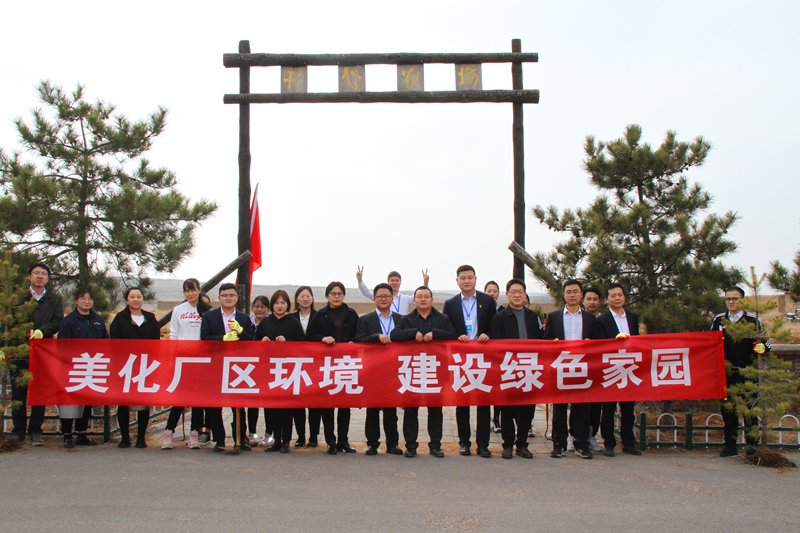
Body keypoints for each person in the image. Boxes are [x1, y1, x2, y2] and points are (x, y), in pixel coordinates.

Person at [391, 286, 458, 457]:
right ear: (414, 301)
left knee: (435, 409)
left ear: (431, 300)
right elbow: (395, 335)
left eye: (426, 296)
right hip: (413, 370)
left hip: (436, 370)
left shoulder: (442, 318)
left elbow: (452, 334)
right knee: (411, 410)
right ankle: (411, 446)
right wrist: (414, 333)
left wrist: (434, 333)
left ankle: (435, 445)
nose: (423, 299)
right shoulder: (406, 319)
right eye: (419, 297)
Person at [442, 265, 497, 457]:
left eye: (470, 277)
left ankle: (483, 444)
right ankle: (464, 443)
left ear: (476, 279)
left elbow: (494, 326)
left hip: (482, 357)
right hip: (461, 359)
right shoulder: (450, 303)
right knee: (462, 401)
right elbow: (446, 327)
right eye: (463, 278)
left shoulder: (487, 300)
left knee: (483, 401)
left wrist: (486, 335)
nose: (467, 281)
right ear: (457, 281)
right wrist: (457, 336)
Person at [543, 279, 599, 459]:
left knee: (582, 407)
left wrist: (592, 344)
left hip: (582, 367)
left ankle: (581, 444)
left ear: (581, 295)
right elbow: (546, 340)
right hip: (562, 366)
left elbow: (598, 343)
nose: (572, 295)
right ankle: (558, 444)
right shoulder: (554, 316)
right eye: (569, 292)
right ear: (564, 294)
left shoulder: (590, 318)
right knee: (559, 407)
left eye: (576, 292)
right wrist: (553, 344)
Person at [712, 286, 769, 457]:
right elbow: (710, 343)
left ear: (742, 300)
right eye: (728, 299)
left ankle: (752, 445)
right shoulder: (719, 320)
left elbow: (767, 342)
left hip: (748, 373)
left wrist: (763, 348)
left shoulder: (753, 320)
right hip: (726, 373)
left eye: (735, 299)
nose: (731, 302)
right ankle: (730, 445)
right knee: (728, 411)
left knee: (749, 411)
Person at [9, 263, 63, 445]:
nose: (40, 276)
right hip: (20, 351)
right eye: (36, 273)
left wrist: (42, 330)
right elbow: (7, 323)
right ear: (29, 276)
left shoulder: (54, 299)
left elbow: (57, 321)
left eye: (44, 274)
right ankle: (18, 431)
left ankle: (35, 430)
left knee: (39, 391)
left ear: (48, 278)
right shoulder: (18, 298)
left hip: (43, 350)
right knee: (18, 392)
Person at [490, 279, 543, 459]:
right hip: (508, 369)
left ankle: (522, 444)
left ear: (525, 294)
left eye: (520, 292)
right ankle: (507, 444)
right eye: (513, 292)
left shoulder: (532, 316)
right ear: (507, 295)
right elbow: (495, 347)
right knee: (507, 409)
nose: (517, 295)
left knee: (527, 409)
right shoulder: (499, 317)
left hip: (529, 367)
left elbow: (541, 341)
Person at [200, 283, 256, 452]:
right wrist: (223, 338)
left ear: (237, 298)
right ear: (219, 298)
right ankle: (219, 440)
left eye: (232, 295)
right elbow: (204, 338)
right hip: (216, 365)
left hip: (238, 368)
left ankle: (240, 438)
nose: (228, 298)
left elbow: (251, 343)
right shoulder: (209, 317)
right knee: (215, 405)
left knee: (238, 404)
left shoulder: (244, 319)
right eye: (225, 295)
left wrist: (241, 332)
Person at [306, 281, 359, 455]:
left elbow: (359, 336)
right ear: (327, 295)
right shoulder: (320, 315)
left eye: (340, 294)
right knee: (327, 404)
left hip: (346, 364)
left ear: (344, 296)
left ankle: (344, 440)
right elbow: (310, 336)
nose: (336, 297)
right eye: (333, 293)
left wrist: (354, 343)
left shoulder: (352, 314)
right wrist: (322, 338)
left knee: (345, 404)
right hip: (326, 364)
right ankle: (330, 440)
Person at [163, 278, 213, 450]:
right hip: (183, 361)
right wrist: (173, 355)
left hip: (201, 361)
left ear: (199, 290)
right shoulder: (178, 310)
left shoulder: (207, 311)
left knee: (197, 400)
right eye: (186, 290)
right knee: (180, 399)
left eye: (193, 289)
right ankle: (168, 434)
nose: (190, 293)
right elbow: (174, 333)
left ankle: (194, 436)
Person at [109, 286, 162, 449]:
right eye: (132, 297)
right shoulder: (119, 318)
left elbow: (156, 341)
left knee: (143, 402)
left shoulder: (150, 318)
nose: (136, 299)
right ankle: (125, 437)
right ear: (127, 300)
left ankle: (141, 438)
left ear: (142, 299)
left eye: (138, 296)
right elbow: (115, 341)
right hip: (125, 365)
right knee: (123, 402)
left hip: (145, 366)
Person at [355, 283, 404, 456]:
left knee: (391, 409)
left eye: (387, 296)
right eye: (380, 296)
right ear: (374, 299)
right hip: (373, 371)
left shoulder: (400, 319)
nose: (383, 299)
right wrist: (376, 337)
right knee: (372, 409)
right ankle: (372, 444)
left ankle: (392, 444)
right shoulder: (365, 320)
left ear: (392, 298)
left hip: (394, 371)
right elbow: (359, 339)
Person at [57, 286, 108, 448]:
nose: (87, 302)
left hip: (91, 366)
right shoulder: (68, 321)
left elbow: (105, 341)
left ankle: (82, 434)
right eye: (83, 298)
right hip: (72, 367)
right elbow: (62, 345)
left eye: (90, 299)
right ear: (76, 301)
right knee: (69, 401)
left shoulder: (98, 320)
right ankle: (67, 435)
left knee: (87, 401)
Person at [256, 290, 305, 453]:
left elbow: (303, 345)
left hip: (288, 371)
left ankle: (286, 441)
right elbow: (254, 345)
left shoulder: (293, 322)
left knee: (286, 408)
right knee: (271, 408)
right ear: (272, 305)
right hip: (269, 370)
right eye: (276, 303)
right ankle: (276, 440)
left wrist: (288, 341)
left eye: (282, 303)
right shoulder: (265, 322)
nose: (279, 306)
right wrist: (262, 342)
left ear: (288, 305)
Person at [596, 283, 642, 457]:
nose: (617, 298)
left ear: (624, 297)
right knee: (608, 408)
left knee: (628, 408)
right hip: (611, 368)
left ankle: (628, 443)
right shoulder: (601, 320)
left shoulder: (632, 317)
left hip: (629, 367)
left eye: (620, 295)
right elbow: (600, 344)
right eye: (613, 296)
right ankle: (609, 443)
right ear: (607, 299)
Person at [289, 286, 316, 447]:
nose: (305, 299)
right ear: (296, 299)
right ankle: (300, 436)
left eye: (308, 296)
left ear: (312, 299)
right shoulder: (291, 318)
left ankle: (313, 437)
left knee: (314, 403)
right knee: (297, 403)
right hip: (296, 365)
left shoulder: (319, 317)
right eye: (302, 296)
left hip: (315, 365)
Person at [246, 295, 272, 447]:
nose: (259, 309)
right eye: (256, 306)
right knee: (252, 401)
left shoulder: (271, 322)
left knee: (268, 400)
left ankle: (269, 432)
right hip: (250, 366)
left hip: (268, 365)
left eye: (263, 306)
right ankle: (252, 432)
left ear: (268, 308)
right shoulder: (246, 322)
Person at [582, 286, 604, 453]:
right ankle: (575, 435)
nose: (591, 302)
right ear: (583, 300)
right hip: (579, 367)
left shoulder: (604, 320)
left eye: (595, 299)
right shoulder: (581, 318)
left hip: (599, 368)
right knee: (578, 404)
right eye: (588, 299)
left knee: (596, 404)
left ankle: (592, 435)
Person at [357, 266, 429, 315]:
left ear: (400, 282)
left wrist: (425, 283)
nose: (394, 283)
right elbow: (366, 292)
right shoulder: (381, 297)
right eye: (392, 280)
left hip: (401, 330)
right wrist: (360, 280)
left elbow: (419, 295)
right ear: (388, 282)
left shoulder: (406, 299)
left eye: (397, 280)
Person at [484, 280, 503, 433]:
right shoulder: (481, 308)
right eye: (489, 291)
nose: (492, 294)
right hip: (483, 355)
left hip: (499, 355)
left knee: (498, 389)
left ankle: (496, 418)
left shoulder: (503, 310)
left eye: (494, 291)